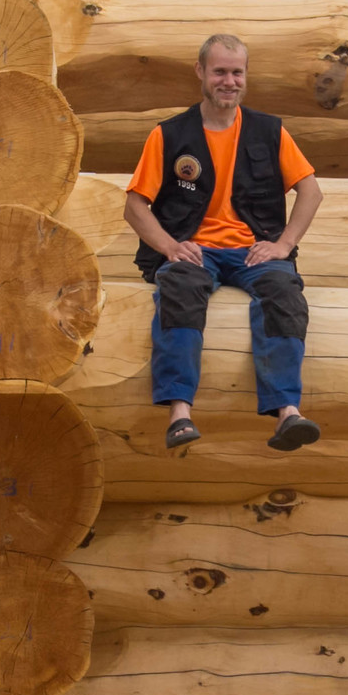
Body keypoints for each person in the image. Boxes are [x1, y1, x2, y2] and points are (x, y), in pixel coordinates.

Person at [124, 33, 325, 452]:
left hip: (255, 250)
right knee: (178, 286)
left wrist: (284, 245)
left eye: (237, 73)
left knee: (283, 292)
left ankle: (288, 411)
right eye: (219, 72)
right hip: (194, 251)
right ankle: (180, 413)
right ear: (200, 72)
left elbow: (310, 191)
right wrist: (169, 246)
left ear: (246, 76)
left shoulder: (270, 131)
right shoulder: (169, 134)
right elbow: (135, 206)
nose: (228, 81)